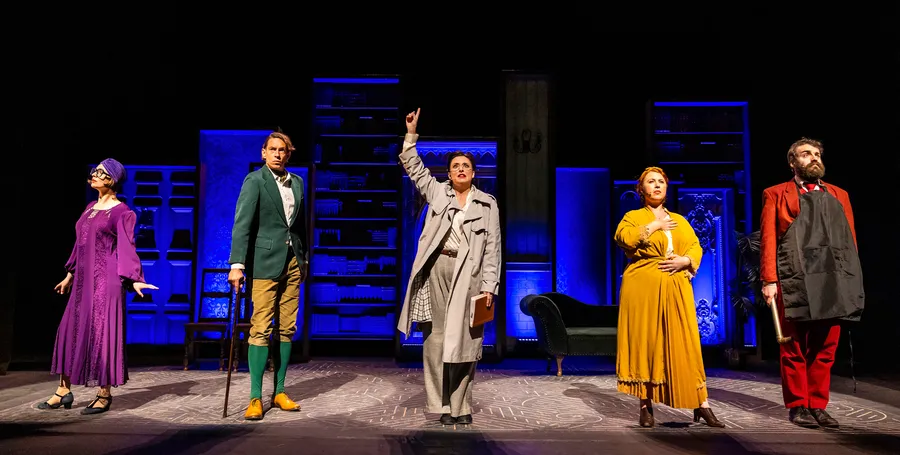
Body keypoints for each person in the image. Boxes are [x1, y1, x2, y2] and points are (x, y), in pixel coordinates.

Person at [396, 108, 502, 425]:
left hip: (470, 276)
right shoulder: (438, 193)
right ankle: (441, 405)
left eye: (465, 166)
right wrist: (411, 134)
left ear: (474, 172)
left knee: (467, 342)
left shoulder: (487, 204)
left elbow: (493, 249)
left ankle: (461, 405)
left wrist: (490, 286)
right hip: (437, 269)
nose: (460, 169)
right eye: (455, 166)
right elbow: (414, 168)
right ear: (449, 173)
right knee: (436, 339)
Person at [760, 137, 864, 429]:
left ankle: (818, 405)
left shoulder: (840, 195)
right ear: (792, 162)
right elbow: (769, 239)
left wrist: (851, 279)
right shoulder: (775, 194)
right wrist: (769, 280)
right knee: (793, 346)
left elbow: (849, 240)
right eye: (806, 154)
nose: (814, 158)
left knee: (825, 348)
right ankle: (798, 405)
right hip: (794, 278)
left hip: (833, 280)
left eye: (817, 154)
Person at [40, 158, 158, 414]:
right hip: (83, 281)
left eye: (101, 173)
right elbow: (80, 244)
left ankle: (104, 394)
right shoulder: (90, 207)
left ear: (112, 179)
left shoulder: (123, 212)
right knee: (68, 330)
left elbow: (127, 247)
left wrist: (135, 279)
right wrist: (70, 274)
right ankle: (63, 390)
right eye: (95, 171)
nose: (94, 175)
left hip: (107, 280)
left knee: (102, 334)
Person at [614, 166, 724, 428]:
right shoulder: (633, 217)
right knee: (647, 342)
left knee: (685, 342)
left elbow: (695, 246)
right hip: (642, 284)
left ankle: (701, 403)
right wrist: (655, 225)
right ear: (641, 189)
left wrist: (685, 261)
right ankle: (645, 404)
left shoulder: (679, 220)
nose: (656, 185)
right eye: (650, 182)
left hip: (676, 285)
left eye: (660, 182)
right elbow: (624, 238)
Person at [228, 130, 309, 421]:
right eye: (272, 149)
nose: (277, 154)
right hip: (264, 263)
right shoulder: (255, 181)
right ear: (263, 153)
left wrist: (304, 259)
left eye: (282, 150)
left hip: (292, 262)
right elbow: (242, 224)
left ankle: (280, 391)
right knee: (260, 328)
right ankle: (255, 397)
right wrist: (237, 264)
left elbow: (299, 226)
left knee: (287, 328)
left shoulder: (297, 182)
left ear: (289, 154)